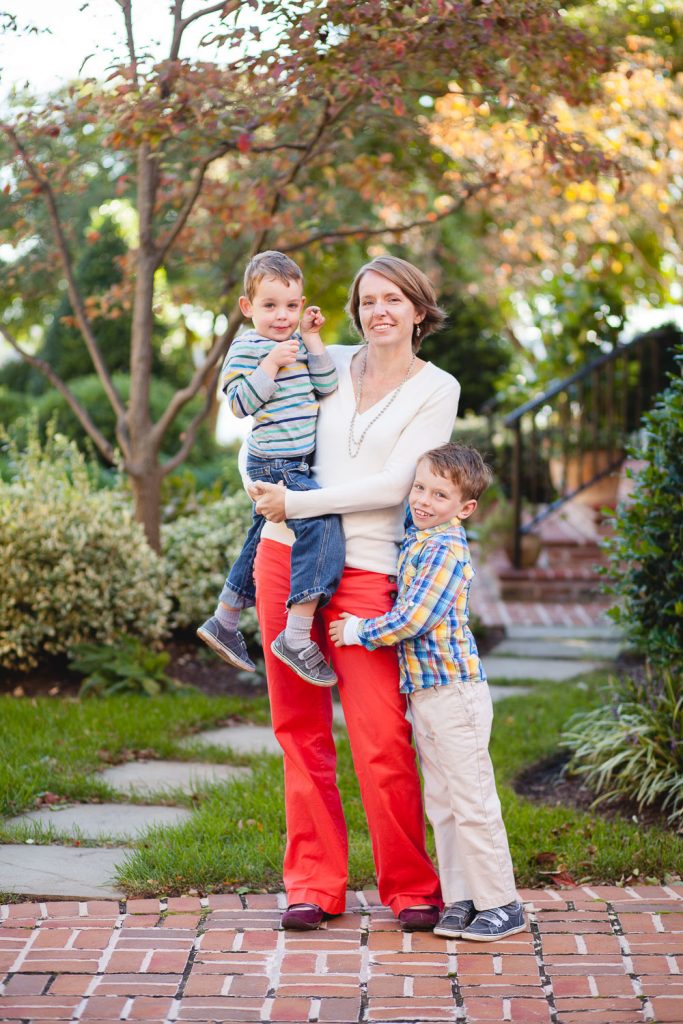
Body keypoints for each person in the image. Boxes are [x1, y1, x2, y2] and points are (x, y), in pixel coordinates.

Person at [248, 255, 460, 932]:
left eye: (393, 299)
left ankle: (409, 885)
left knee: (380, 735)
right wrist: (269, 494)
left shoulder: (436, 389)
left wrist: (302, 503)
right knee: (298, 729)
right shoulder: (324, 360)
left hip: (369, 570)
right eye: (367, 300)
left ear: (419, 311)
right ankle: (312, 882)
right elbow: (256, 431)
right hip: (284, 561)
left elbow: (399, 483)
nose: (379, 311)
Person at [329, 443, 525, 941]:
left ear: (465, 508)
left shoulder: (445, 548)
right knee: (443, 801)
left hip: (455, 694)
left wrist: (358, 631)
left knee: (473, 801)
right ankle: (463, 897)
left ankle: (501, 902)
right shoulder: (419, 539)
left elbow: (415, 619)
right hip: (428, 695)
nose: (423, 499)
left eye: (440, 494)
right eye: (420, 488)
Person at [197, 250, 345, 687]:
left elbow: (328, 386)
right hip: (275, 461)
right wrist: (269, 365)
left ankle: (224, 618)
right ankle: (297, 635)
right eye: (270, 306)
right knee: (323, 522)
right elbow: (240, 405)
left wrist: (312, 341)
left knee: (258, 538)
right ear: (248, 307)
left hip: (294, 460)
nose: (282, 316)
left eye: (291, 305)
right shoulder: (247, 347)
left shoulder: (297, 344)